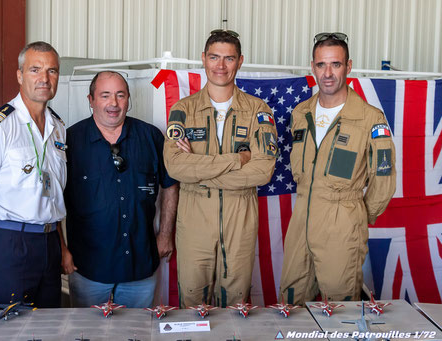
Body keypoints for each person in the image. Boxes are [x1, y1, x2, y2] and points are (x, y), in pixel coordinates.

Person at [163, 30, 278, 308]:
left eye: (229, 58)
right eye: (214, 57)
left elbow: (263, 171)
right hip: (194, 222)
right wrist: (236, 160)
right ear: (203, 59)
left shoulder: (258, 111)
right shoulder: (183, 110)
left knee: (236, 304)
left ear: (240, 61)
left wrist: (202, 174)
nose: (221, 66)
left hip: (240, 220)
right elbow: (176, 166)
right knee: (192, 301)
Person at [279, 32, 396, 305]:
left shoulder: (370, 118)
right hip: (301, 221)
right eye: (321, 65)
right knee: (291, 303)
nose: (328, 73)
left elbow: (384, 178)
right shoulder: (300, 114)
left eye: (336, 64)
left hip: (342, 222)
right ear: (313, 67)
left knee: (340, 308)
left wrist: (354, 216)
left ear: (349, 66)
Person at [0, 41, 66, 308]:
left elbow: (54, 197)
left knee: (49, 328)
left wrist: (61, 246)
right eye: (35, 70)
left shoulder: (58, 128)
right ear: (19, 75)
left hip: (49, 241)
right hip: (9, 242)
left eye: (52, 71)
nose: (44, 78)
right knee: (9, 331)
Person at [62, 71, 179, 308]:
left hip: (141, 264)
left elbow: (170, 185)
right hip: (88, 267)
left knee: (136, 333)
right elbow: (51, 200)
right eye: (105, 96)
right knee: (88, 335)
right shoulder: (69, 141)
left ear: (128, 99)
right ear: (91, 100)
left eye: (120, 95)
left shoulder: (151, 137)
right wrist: (61, 248)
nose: (113, 104)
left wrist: (166, 234)